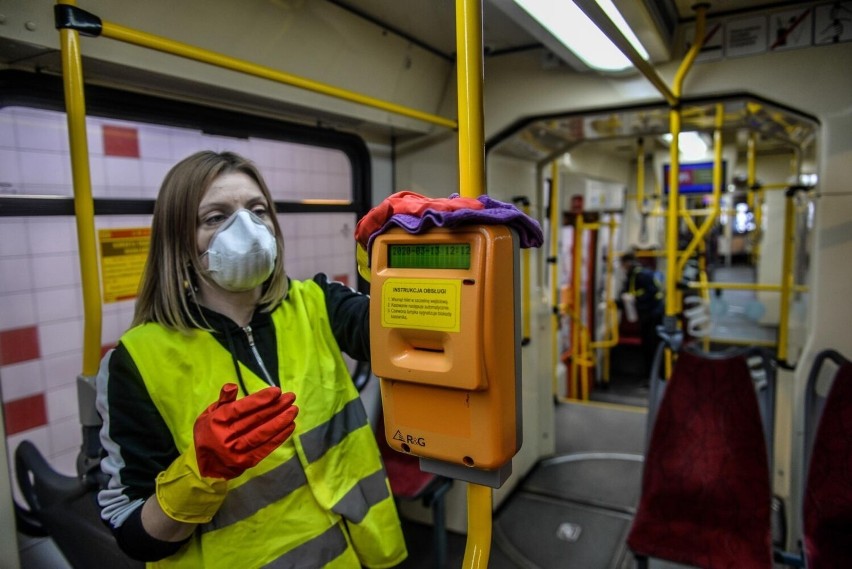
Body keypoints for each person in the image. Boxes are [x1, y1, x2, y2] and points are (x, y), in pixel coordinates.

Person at [95, 151, 407, 568]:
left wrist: (403, 258)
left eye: (257, 210)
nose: (246, 227)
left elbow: (407, 338)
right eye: (214, 217)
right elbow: (135, 534)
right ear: (180, 244)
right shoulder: (138, 361)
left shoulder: (318, 303)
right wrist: (200, 473)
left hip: (359, 556)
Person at [619, 251, 664, 379]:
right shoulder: (634, 275)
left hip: (652, 315)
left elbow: (652, 293)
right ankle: (649, 375)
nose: (623, 268)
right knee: (648, 346)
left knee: (651, 347)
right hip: (648, 314)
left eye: (623, 264)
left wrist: (635, 300)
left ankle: (654, 376)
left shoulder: (641, 275)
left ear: (628, 263)